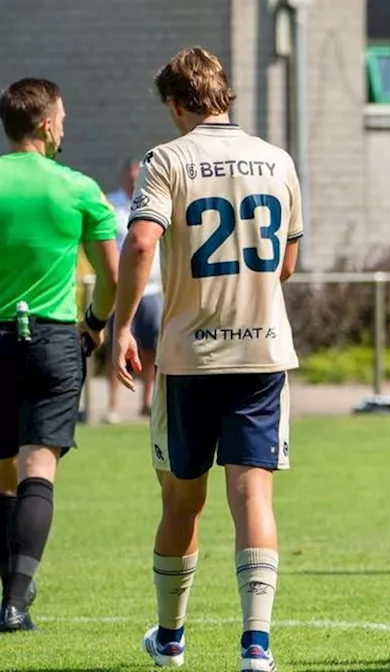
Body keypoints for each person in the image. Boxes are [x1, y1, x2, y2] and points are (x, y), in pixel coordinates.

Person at [112, 47, 302, 670]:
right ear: (225, 93)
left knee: (181, 502)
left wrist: (121, 326)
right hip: (261, 351)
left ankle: (170, 639)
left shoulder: (168, 159)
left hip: (190, 357)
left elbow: (141, 241)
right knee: (253, 498)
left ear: (174, 102)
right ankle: (256, 646)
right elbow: (288, 263)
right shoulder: (277, 160)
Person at [0, 77, 119, 631]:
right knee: (37, 468)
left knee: (2, 473)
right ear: (46, 125)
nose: (65, 126)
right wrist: (94, 325)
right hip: (51, 338)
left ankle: (8, 590)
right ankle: (16, 601)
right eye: (63, 118)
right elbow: (113, 276)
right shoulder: (78, 188)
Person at [104, 156, 163, 423]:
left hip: (151, 289)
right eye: (130, 174)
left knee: (151, 348)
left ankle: (147, 401)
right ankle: (113, 405)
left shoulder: (153, 201)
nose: (133, 179)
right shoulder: (111, 204)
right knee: (116, 347)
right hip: (121, 290)